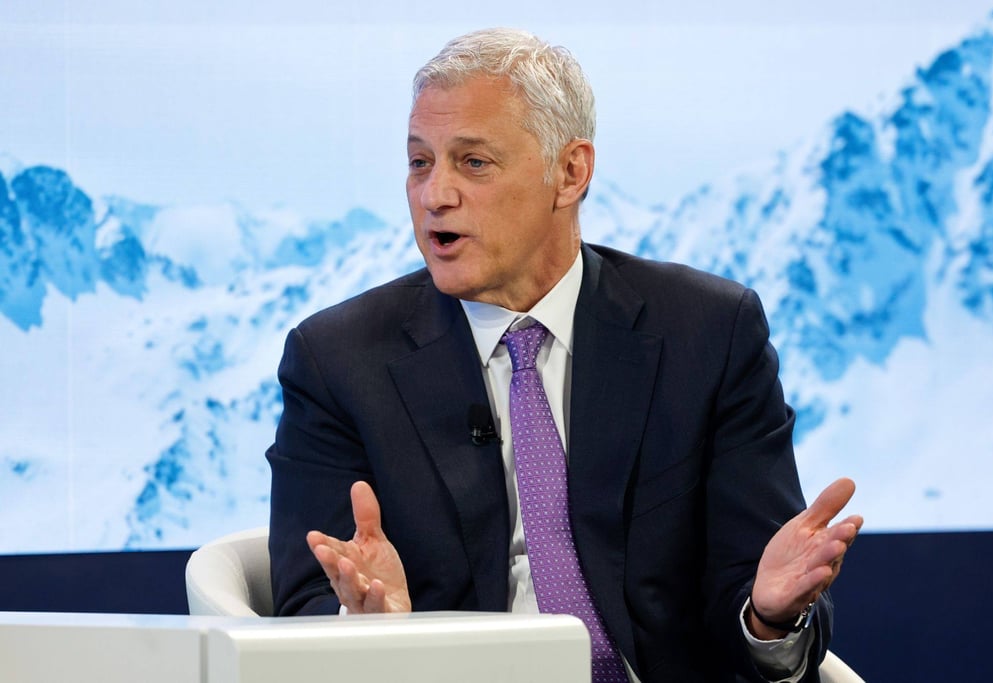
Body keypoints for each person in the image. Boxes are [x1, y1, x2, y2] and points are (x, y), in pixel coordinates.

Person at [266, 28, 862, 683]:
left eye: (473, 162)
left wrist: (768, 616)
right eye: (419, 161)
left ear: (570, 172)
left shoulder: (707, 334)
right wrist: (369, 631)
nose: (435, 194)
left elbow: (751, 599)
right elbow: (303, 606)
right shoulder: (338, 362)